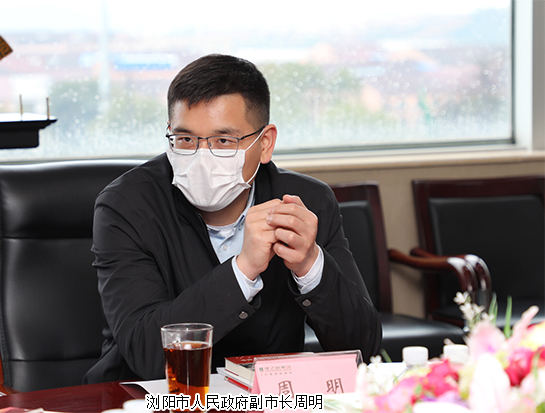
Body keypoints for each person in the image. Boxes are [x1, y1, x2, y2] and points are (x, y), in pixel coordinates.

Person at [83, 54, 381, 383]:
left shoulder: (305, 203)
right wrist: (243, 268)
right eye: (185, 140)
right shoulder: (126, 205)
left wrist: (310, 265)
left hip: (268, 399)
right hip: (147, 397)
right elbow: (145, 352)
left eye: (223, 141)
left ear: (265, 144)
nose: (201, 157)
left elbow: (364, 349)